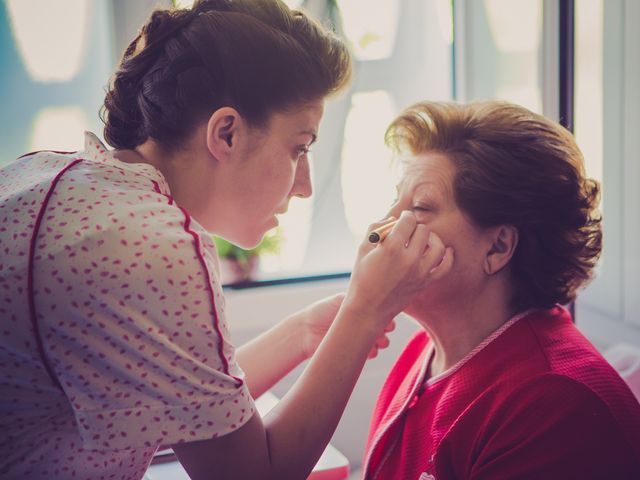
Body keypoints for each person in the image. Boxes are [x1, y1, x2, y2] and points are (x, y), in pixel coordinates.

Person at [0, 1, 454, 479]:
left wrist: (301, 335)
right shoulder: (156, 246)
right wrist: (365, 312)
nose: (305, 186)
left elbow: (190, 404)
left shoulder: (46, 174)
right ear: (227, 133)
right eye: (299, 147)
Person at [361, 100, 640, 480]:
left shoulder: (555, 406)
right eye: (397, 202)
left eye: (421, 208)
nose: (386, 226)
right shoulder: (422, 352)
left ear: (498, 247)